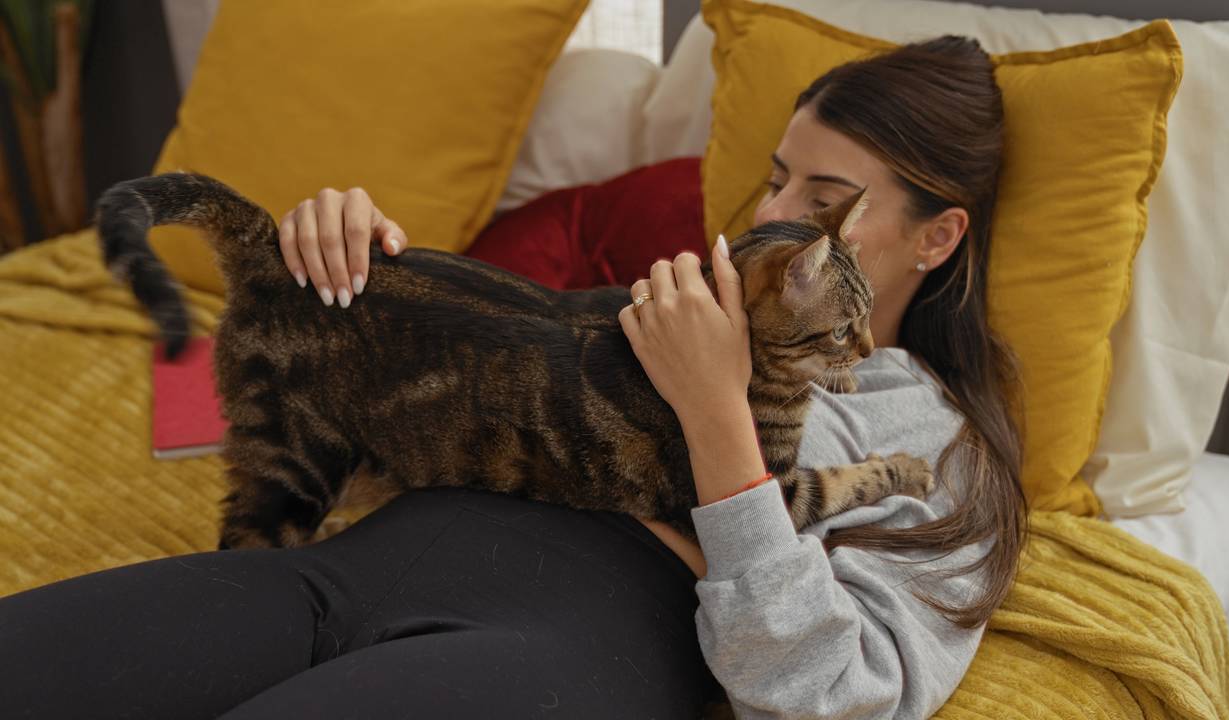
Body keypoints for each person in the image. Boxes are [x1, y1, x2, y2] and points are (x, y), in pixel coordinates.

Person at [0, 36, 1025, 719]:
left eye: (823, 195)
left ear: (935, 238)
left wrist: (716, 412)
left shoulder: (940, 450)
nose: (771, 217)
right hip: (353, 563)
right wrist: (345, 271)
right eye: (773, 179)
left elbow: (824, 698)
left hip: (574, 636)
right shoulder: (653, 301)